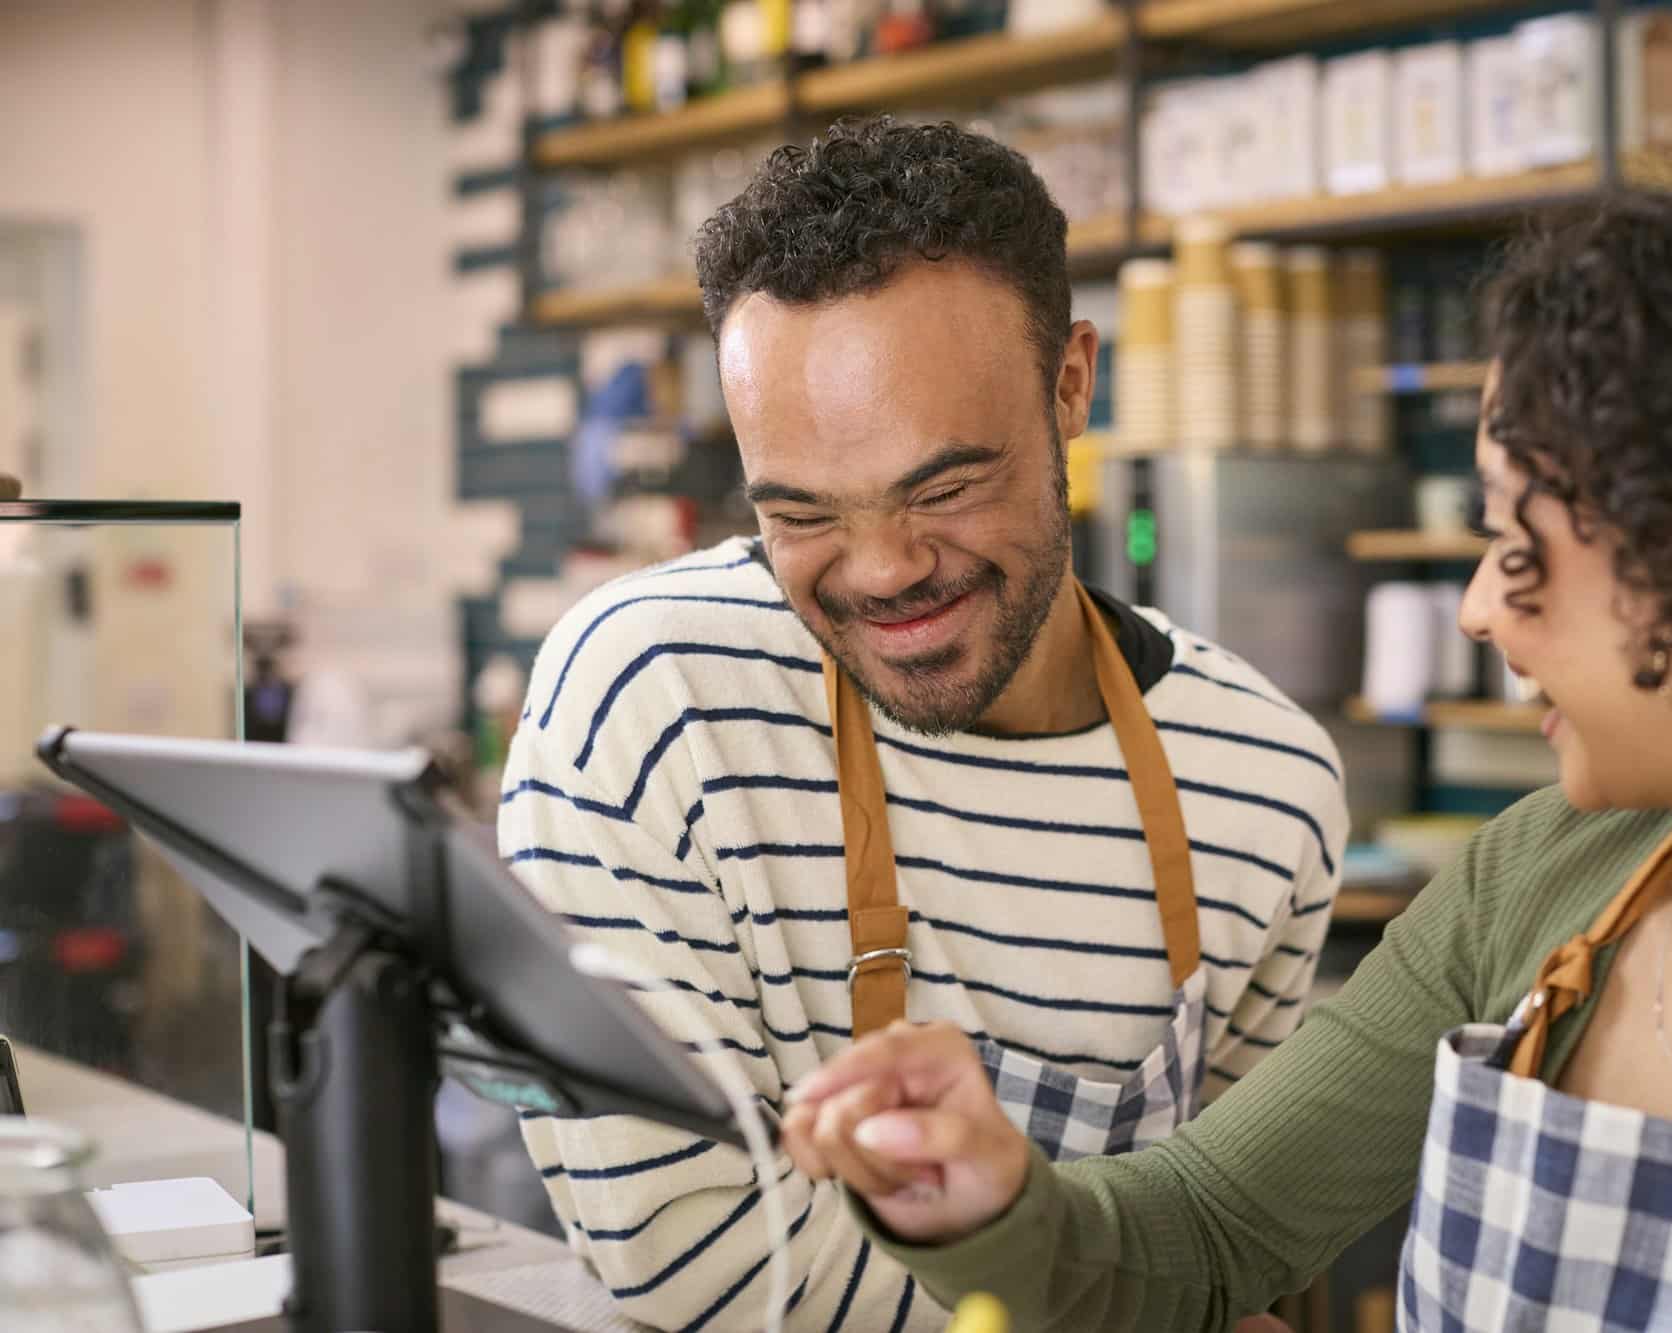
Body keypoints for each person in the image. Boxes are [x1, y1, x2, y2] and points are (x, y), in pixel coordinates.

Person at [781, 158, 1672, 1332]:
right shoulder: (1538, 877)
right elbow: (1203, 1230)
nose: (1476, 607)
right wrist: (989, 1199)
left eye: (1514, 538)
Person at [498, 118, 1348, 1331]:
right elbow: (686, 1252)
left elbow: (1228, 1231)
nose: (885, 571)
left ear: (1070, 385)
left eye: (943, 488)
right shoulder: (649, 699)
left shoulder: (1265, 780)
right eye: (800, 514)